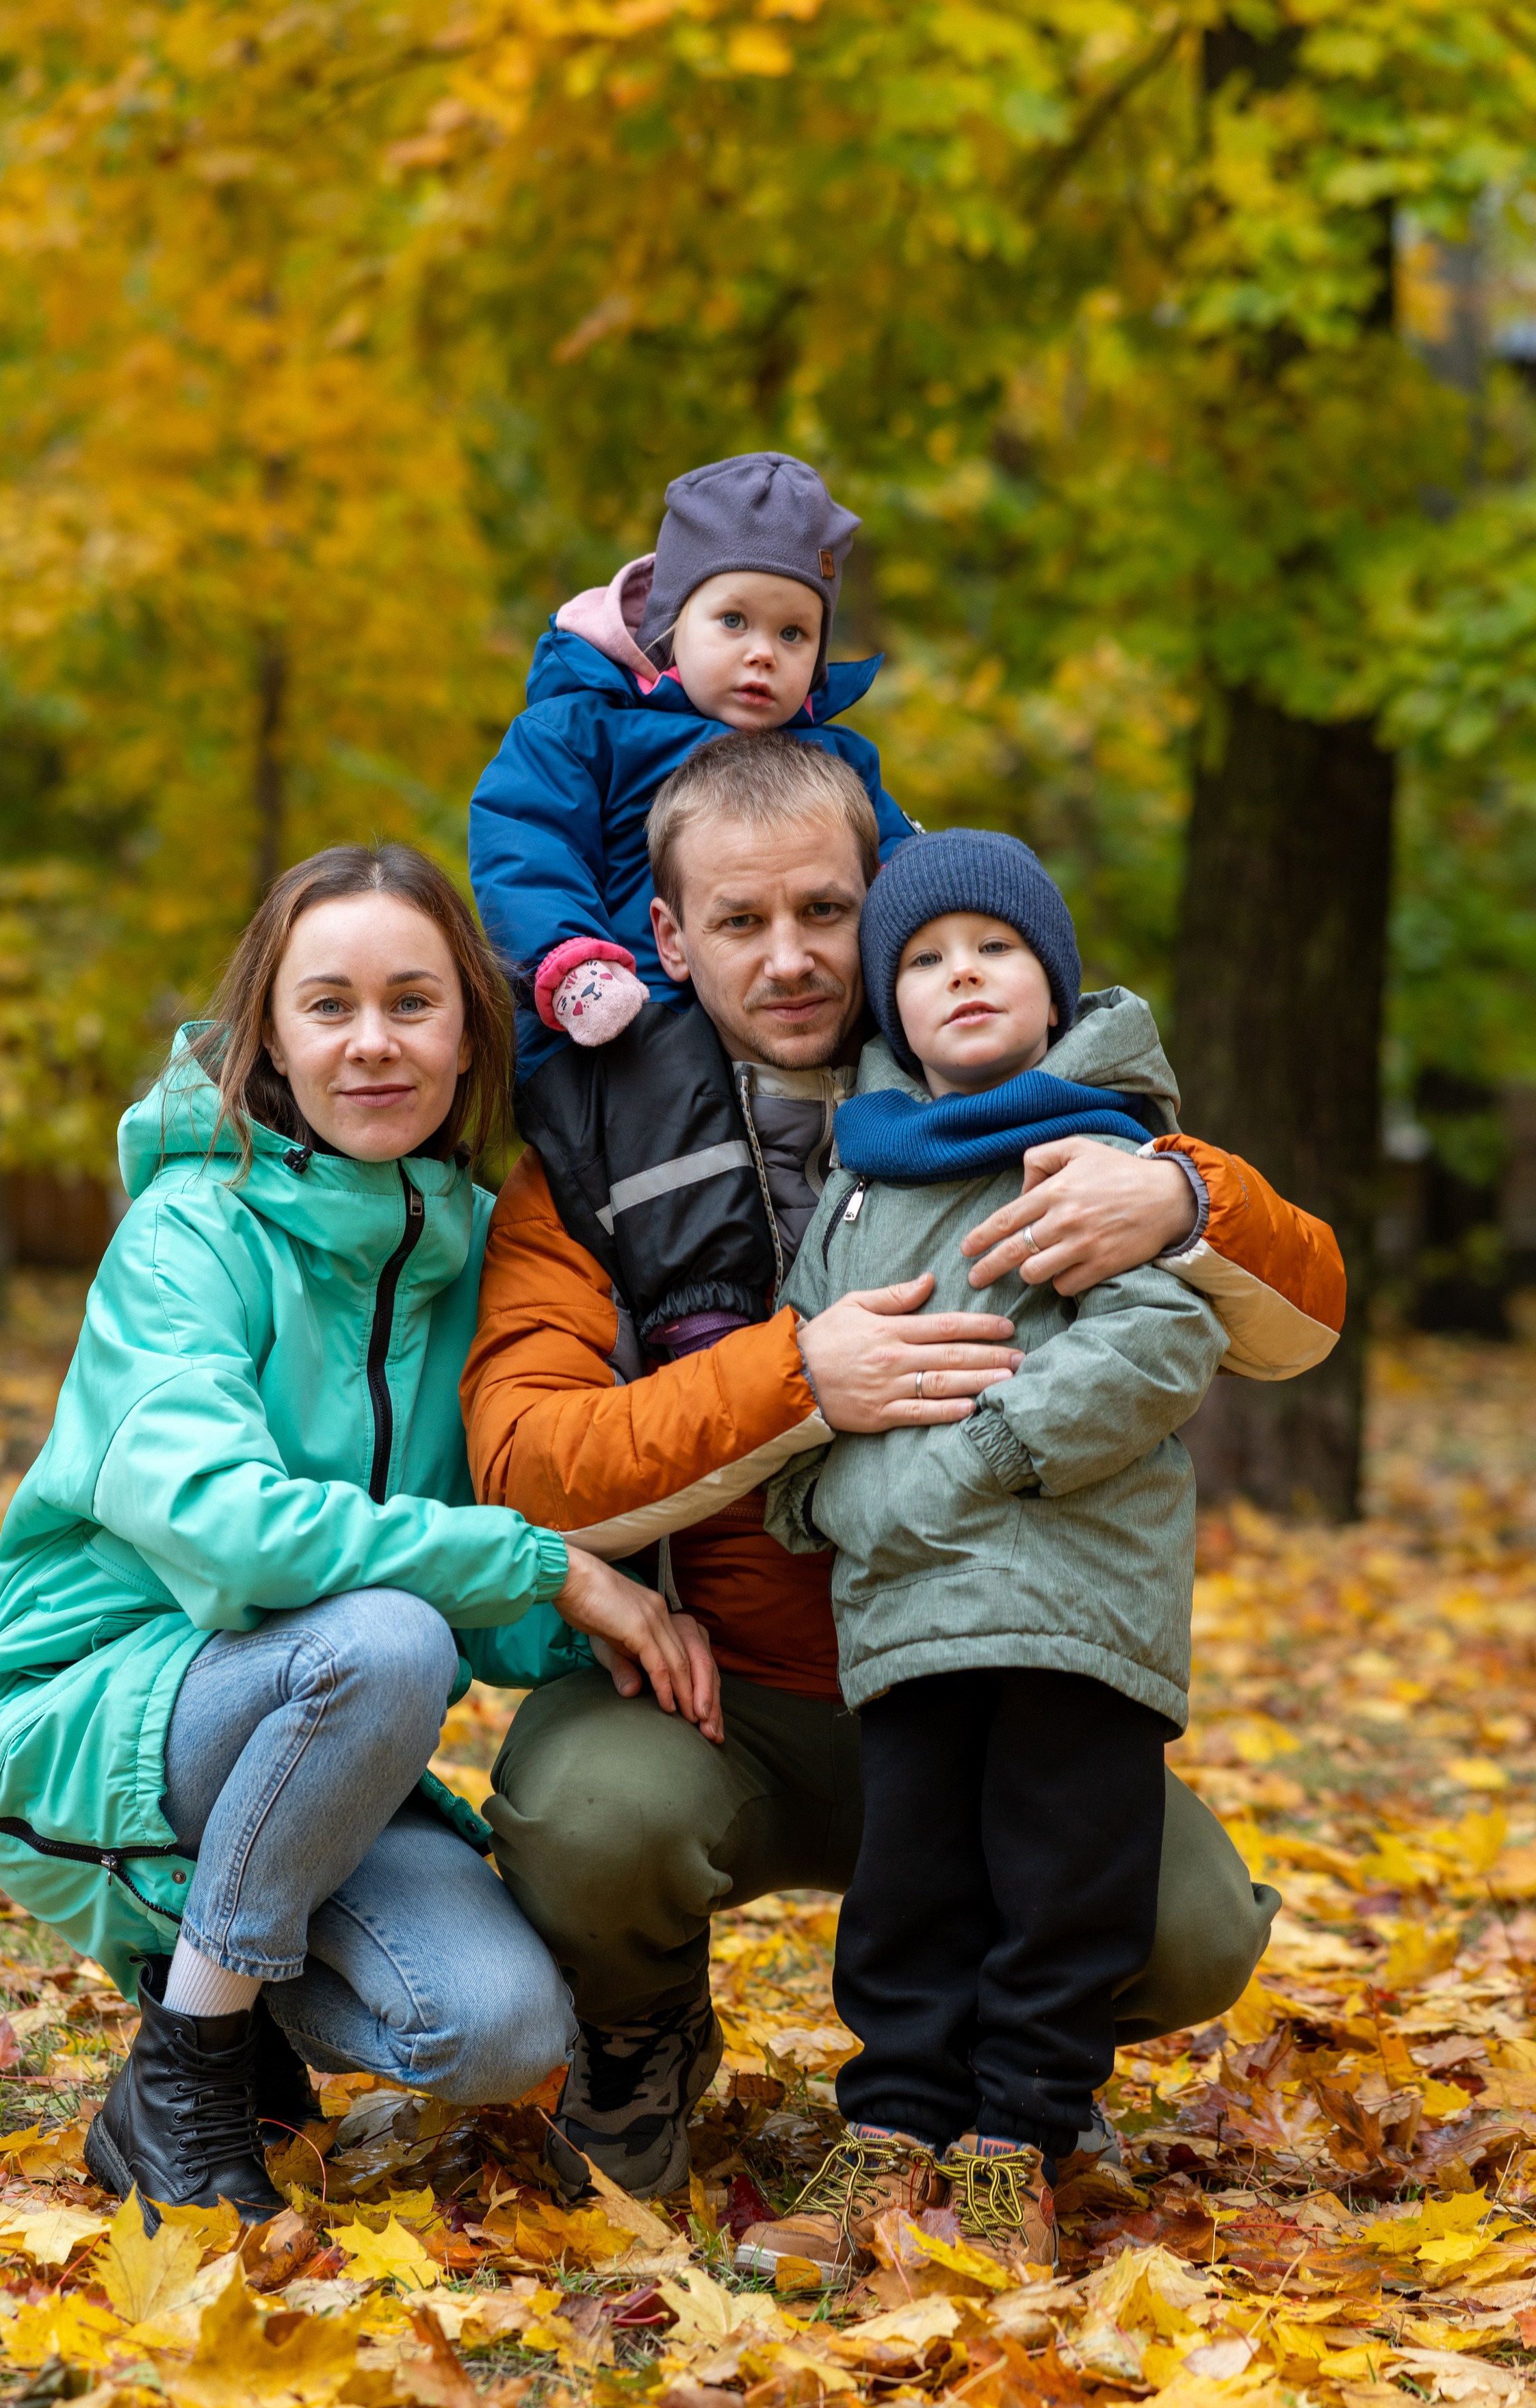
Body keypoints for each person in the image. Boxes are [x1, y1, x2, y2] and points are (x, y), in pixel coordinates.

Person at [463, 731, 1346, 2201]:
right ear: (668, 938)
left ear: (874, 904)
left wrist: (1186, 1196)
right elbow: (529, 1466)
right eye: (739, 923)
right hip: (722, 1702)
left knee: (1185, 1930)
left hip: (991, 1669)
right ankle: (641, 2035)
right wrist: (798, 1379)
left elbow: (1301, 1317)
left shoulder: (1012, 1082)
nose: (793, 957)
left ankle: (1023, 2078)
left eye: (824, 911)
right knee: (586, 1821)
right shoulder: (587, 1156)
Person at [0, 844, 717, 2223]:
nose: (372, 1044)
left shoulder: (486, 1249)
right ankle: (191, 2069)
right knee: (385, 1634)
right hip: (100, 1714)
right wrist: (538, 1566)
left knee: (492, 2034)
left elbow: (509, 1595)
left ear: (472, 1031)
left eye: (413, 1004)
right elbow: (230, 1537)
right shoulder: (189, 1233)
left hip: (334, 1747)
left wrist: (630, 1611)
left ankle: (228, 2028)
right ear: (270, 1039)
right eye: (329, 1005)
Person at [740, 830, 1232, 2285]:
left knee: (1059, 1875)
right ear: (887, 1006)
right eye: (923, 960)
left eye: (993, 950)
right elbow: (806, 1373)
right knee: (913, 1882)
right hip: (904, 1609)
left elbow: (1160, 1340)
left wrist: (995, 1447)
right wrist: (823, 1507)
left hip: (1072, 1598)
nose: (960, 976)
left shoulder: (1098, 1148)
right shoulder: (856, 1181)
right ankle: (890, 2128)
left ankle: (1019, 2136)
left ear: (1052, 976)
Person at [471, 451, 914, 1364]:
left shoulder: (835, 761)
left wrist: (956, 939)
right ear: (669, 625)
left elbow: (905, 864)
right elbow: (526, 846)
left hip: (769, 1025)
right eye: (735, 621)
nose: (765, 653)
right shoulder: (586, 726)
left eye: (796, 636)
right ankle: (702, 1319)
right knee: (667, 1082)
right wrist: (570, 961)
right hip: (617, 1017)